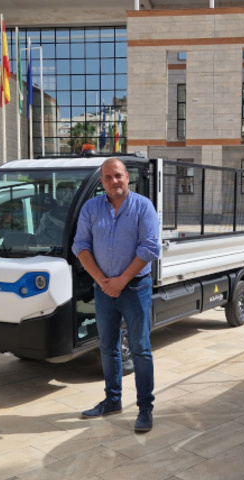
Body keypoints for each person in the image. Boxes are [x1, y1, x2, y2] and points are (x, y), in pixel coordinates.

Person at [72, 157, 160, 432]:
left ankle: (145, 409)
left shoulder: (143, 206)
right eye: (108, 177)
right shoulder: (91, 207)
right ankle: (112, 401)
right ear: (102, 182)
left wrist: (121, 281)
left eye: (118, 175)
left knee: (140, 350)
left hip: (135, 288)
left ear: (127, 177)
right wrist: (103, 281)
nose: (114, 181)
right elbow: (80, 245)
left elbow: (149, 248)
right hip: (103, 289)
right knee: (107, 347)